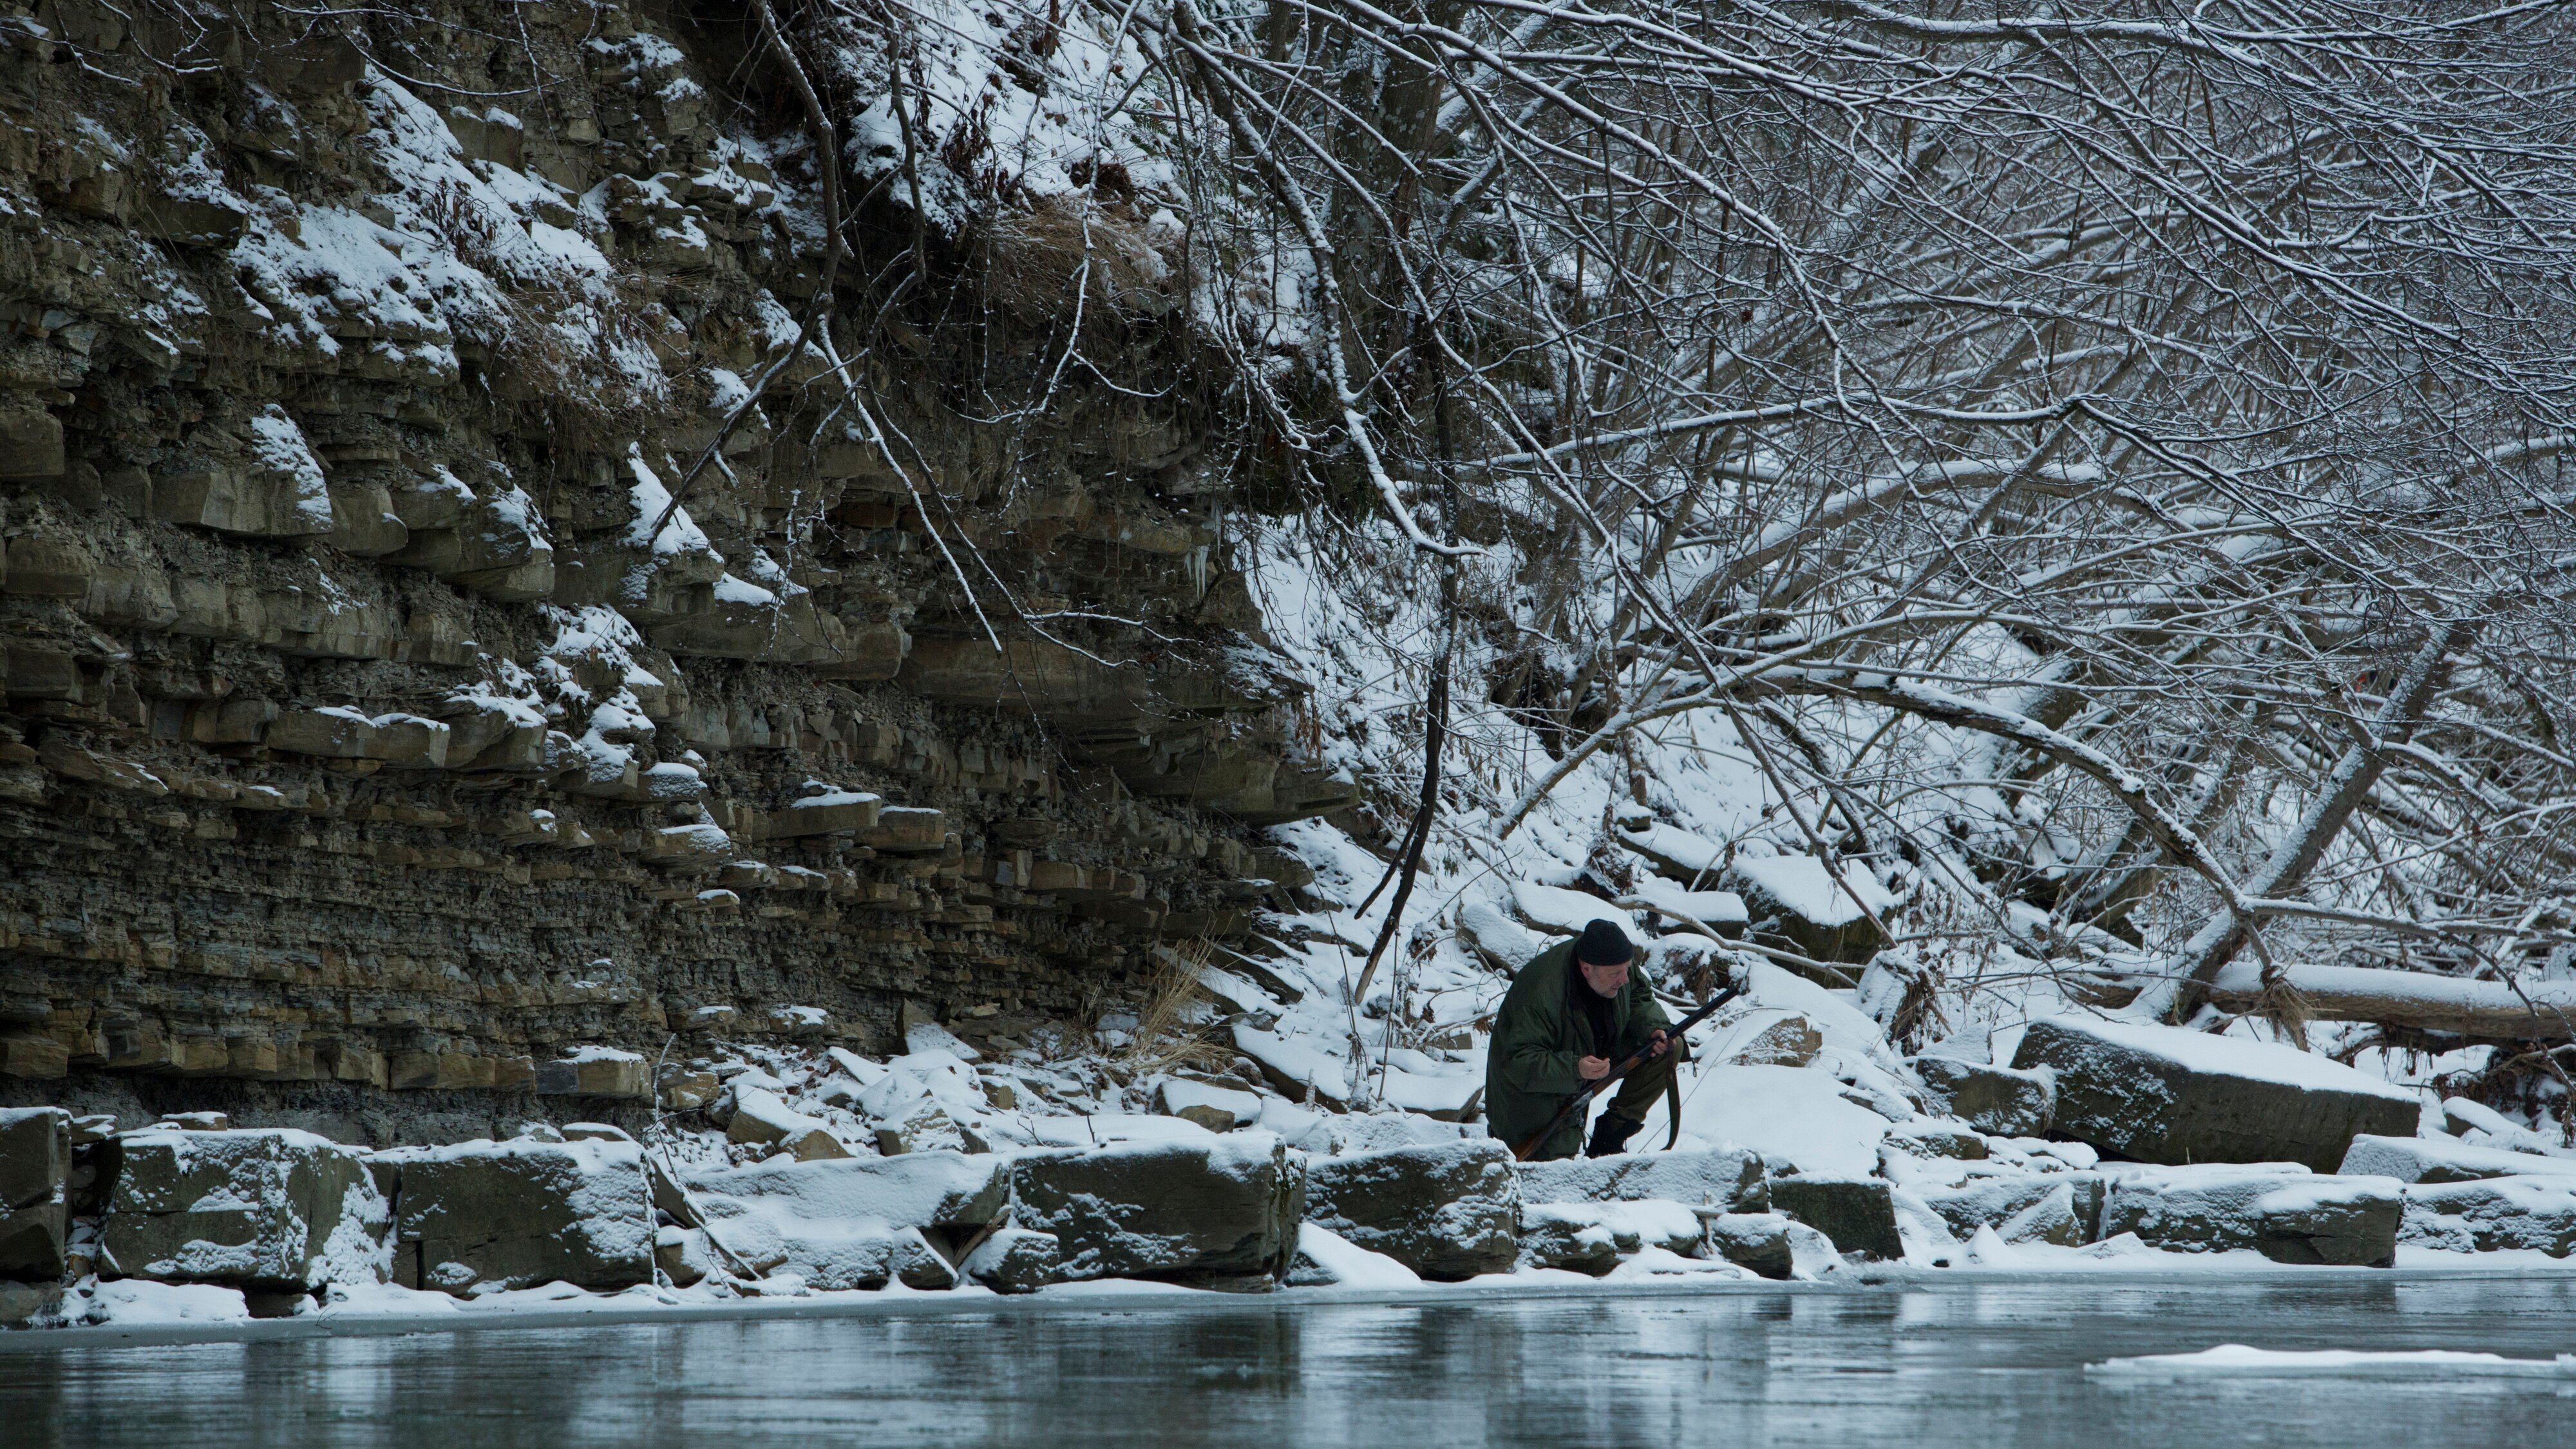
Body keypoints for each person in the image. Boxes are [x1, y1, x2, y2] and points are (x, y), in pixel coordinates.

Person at [1484, 918, 1678, 1160]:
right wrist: (1575, 1069)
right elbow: (1518, 1062)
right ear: (1587, 969)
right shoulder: (1540, 993)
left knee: (1667, 1048)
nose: (1625, 978)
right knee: (1553, 1165)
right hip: (1528, 1093)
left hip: (1591, 1056)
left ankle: (1610, 1138)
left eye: (1627, 969)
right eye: (1616, 974)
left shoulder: (1615, 959)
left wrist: (1652, 1027)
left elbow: (1638, 993)